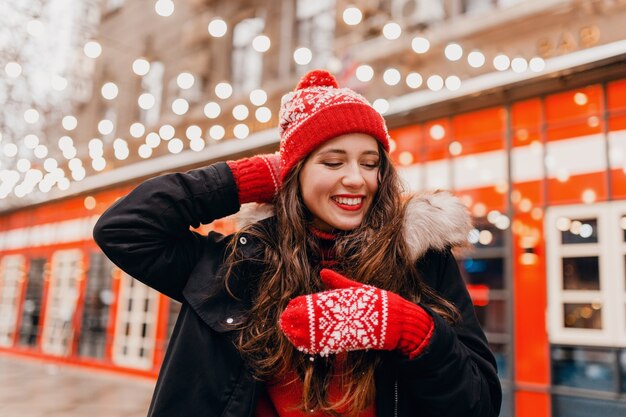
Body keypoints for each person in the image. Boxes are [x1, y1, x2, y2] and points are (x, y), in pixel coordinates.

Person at [93, 69, 502, 417]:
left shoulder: (422, 261)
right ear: (294, 173)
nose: (357, 179)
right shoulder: (236, 265)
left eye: (370, 163)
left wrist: (411, 330)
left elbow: (480, 402)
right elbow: (125, 228)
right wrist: (254, 176)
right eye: (332, 161)